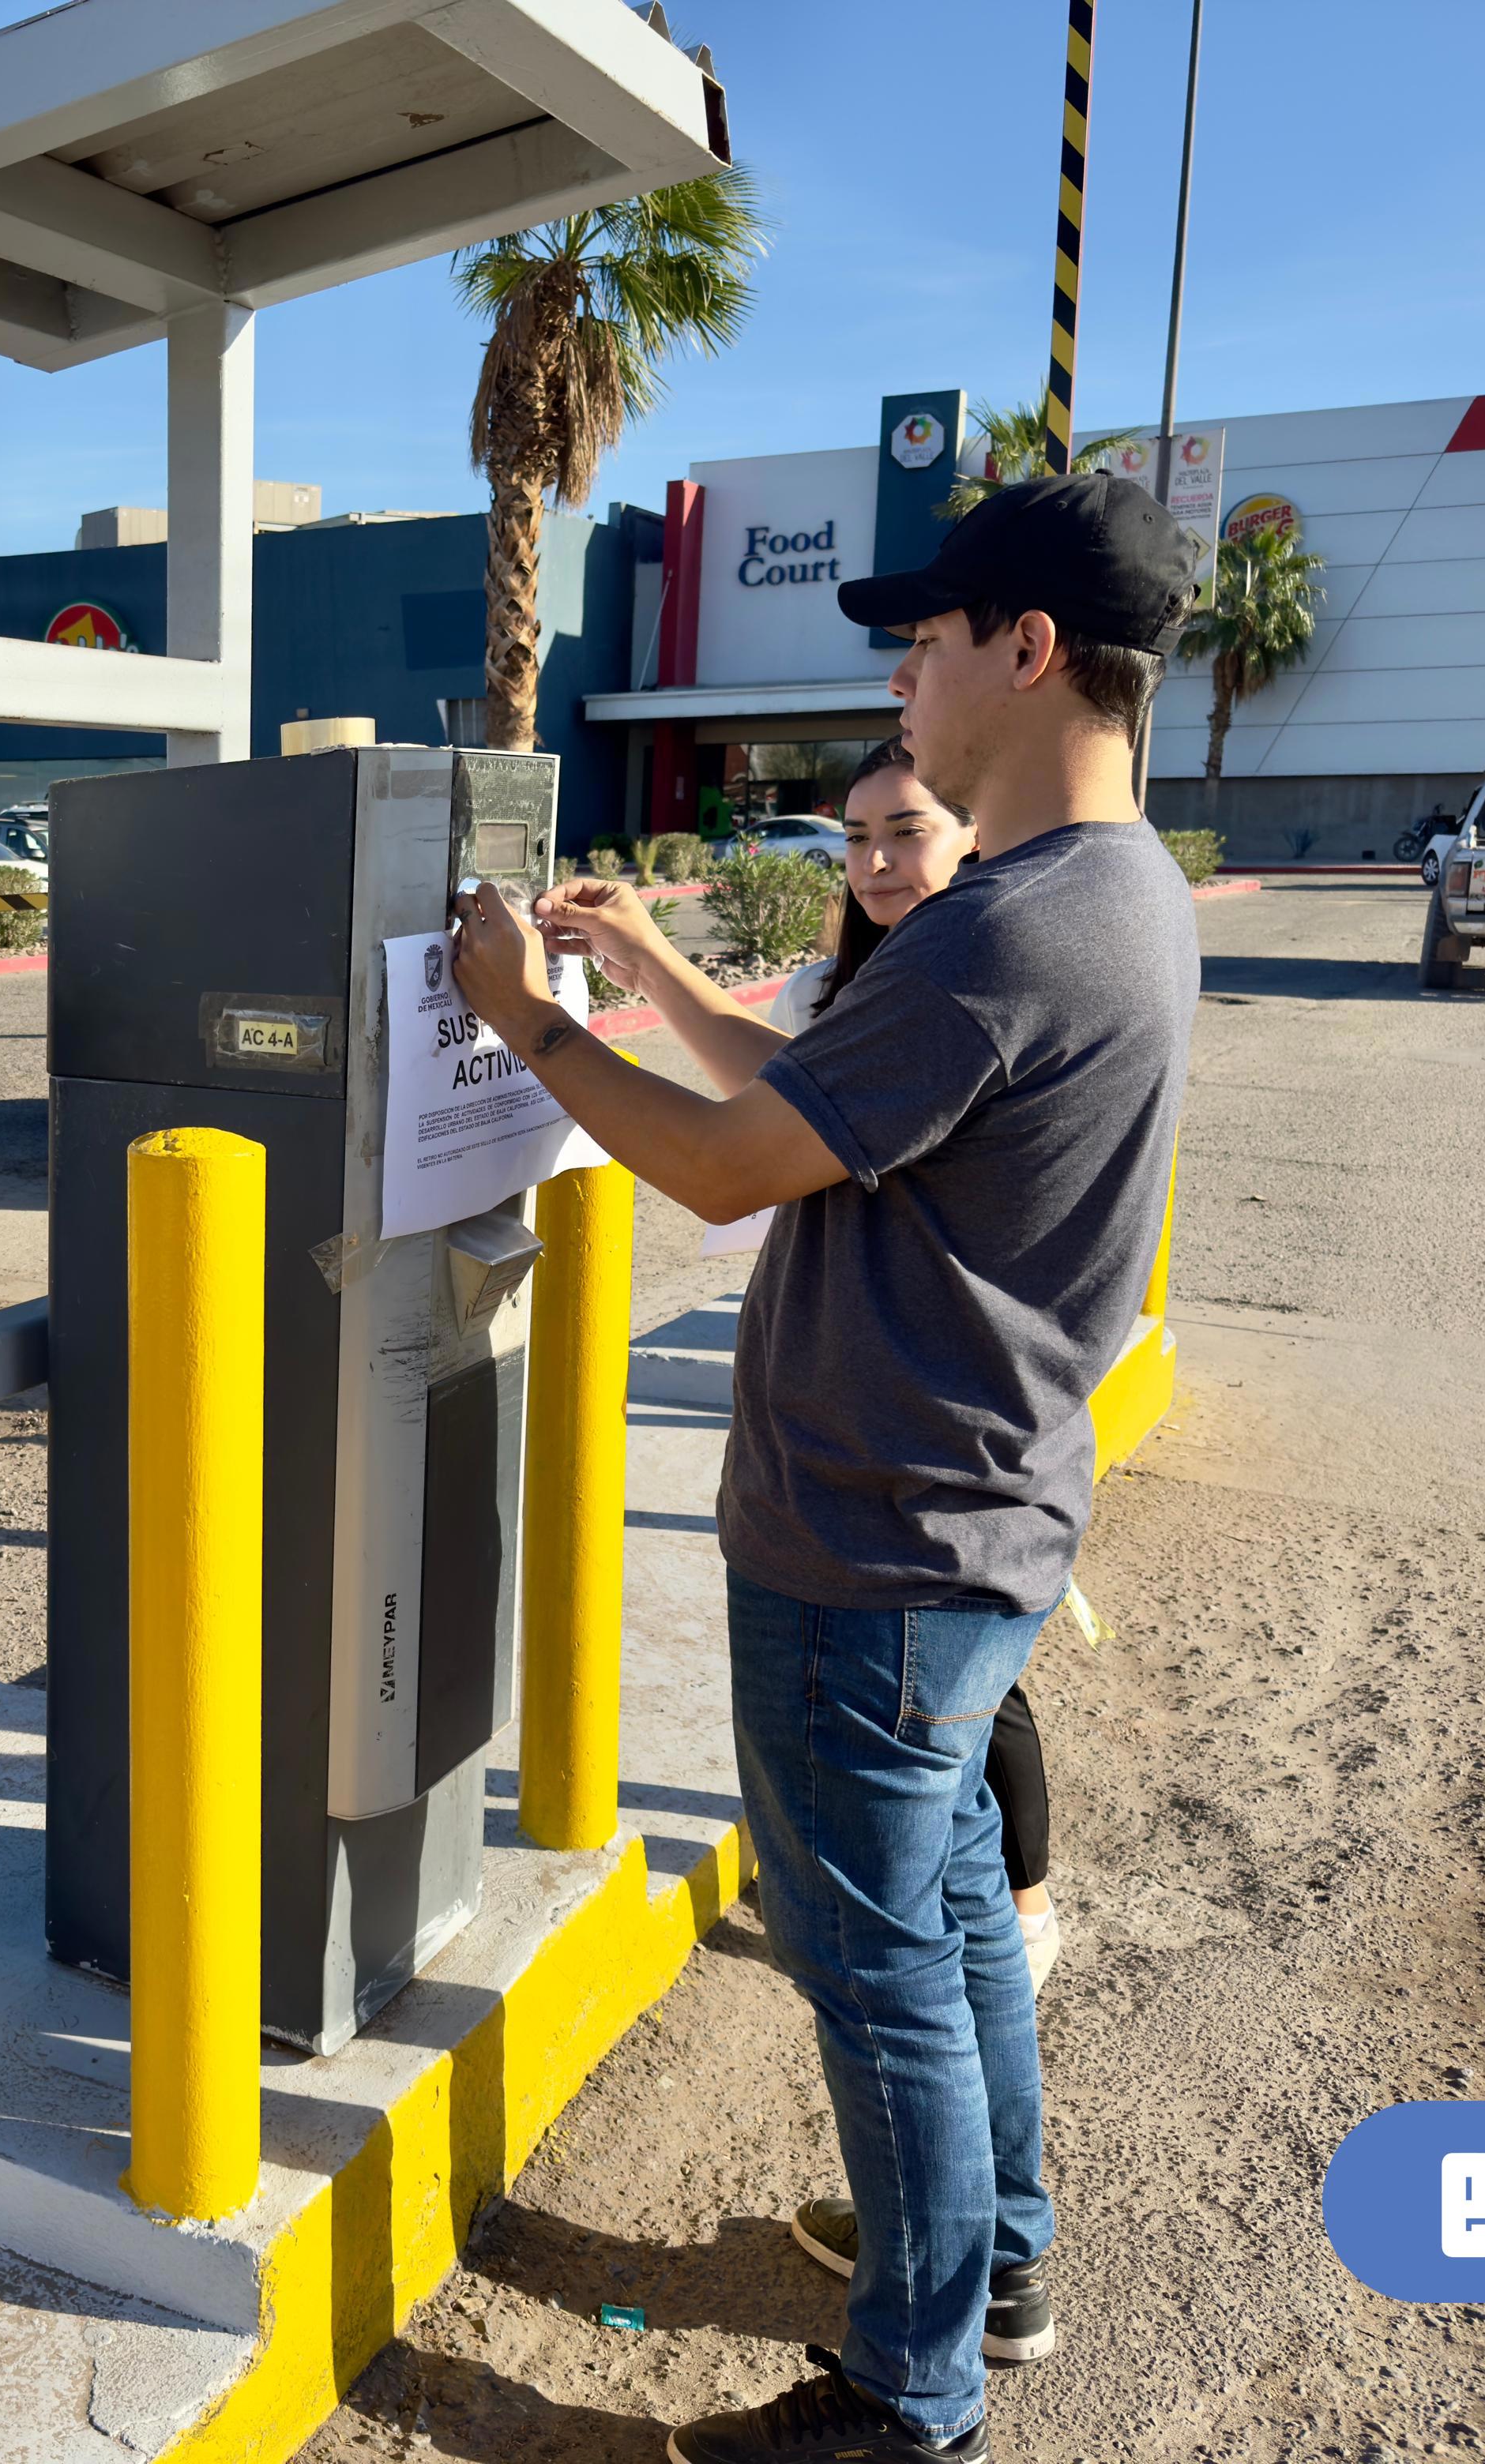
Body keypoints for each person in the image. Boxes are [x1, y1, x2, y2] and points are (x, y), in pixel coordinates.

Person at [448, 473, 1201, 2464]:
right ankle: (997, 2259)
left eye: (930, 636)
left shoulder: (1003, 931)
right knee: (951, 1929)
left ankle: (907, 2396)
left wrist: (525, 1020)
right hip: (974, 1530)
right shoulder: (1113, 896)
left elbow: (714, 1168)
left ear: (1026, 652)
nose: (903, 670)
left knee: (876, 1981)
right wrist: (633, 989)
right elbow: (801, 1102)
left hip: (874, 1554)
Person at [626, 738, 1070, 1988]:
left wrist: (536, 1027)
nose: (876, 861)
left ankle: (1026, 1921)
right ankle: (992, 2003)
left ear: (969, 838)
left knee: (897, 1931)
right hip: (870, 1448)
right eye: (858, 834)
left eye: (907, 831)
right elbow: (769, 1096)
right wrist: (642, 956)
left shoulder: (968, 985)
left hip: (913, 1483)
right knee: (941, 1827)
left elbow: (725, 1162)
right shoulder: (845, 992)